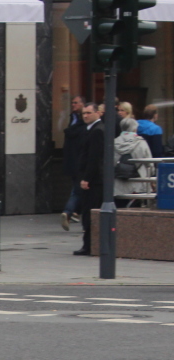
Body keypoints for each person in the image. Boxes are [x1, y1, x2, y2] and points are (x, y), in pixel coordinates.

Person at [76, 101, 105, 256]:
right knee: (88, 212)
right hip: (92, 178)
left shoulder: (97, 131)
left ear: (97, 113)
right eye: (84, 113)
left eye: (88, 113)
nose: (85, 116)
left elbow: (94, 157)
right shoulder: (91, 129)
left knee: (89, 212)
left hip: (94, 180)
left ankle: (89, 245)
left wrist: (87, 178)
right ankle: (89, 244)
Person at [61, 95, 87, 230]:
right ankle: (70, 211)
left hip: (77, 160)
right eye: (72, 103)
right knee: (77, 189)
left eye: (76, 103)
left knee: (78, 189)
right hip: (76, 161)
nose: (73, 105)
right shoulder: (75, 118)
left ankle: (74, 211)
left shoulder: (81, 120)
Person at [114, 116, 152, 207]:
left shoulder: (114, 142)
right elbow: (149, 164)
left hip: (118, 185)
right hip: (138, 185)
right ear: (135, 128)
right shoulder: (141, 143)